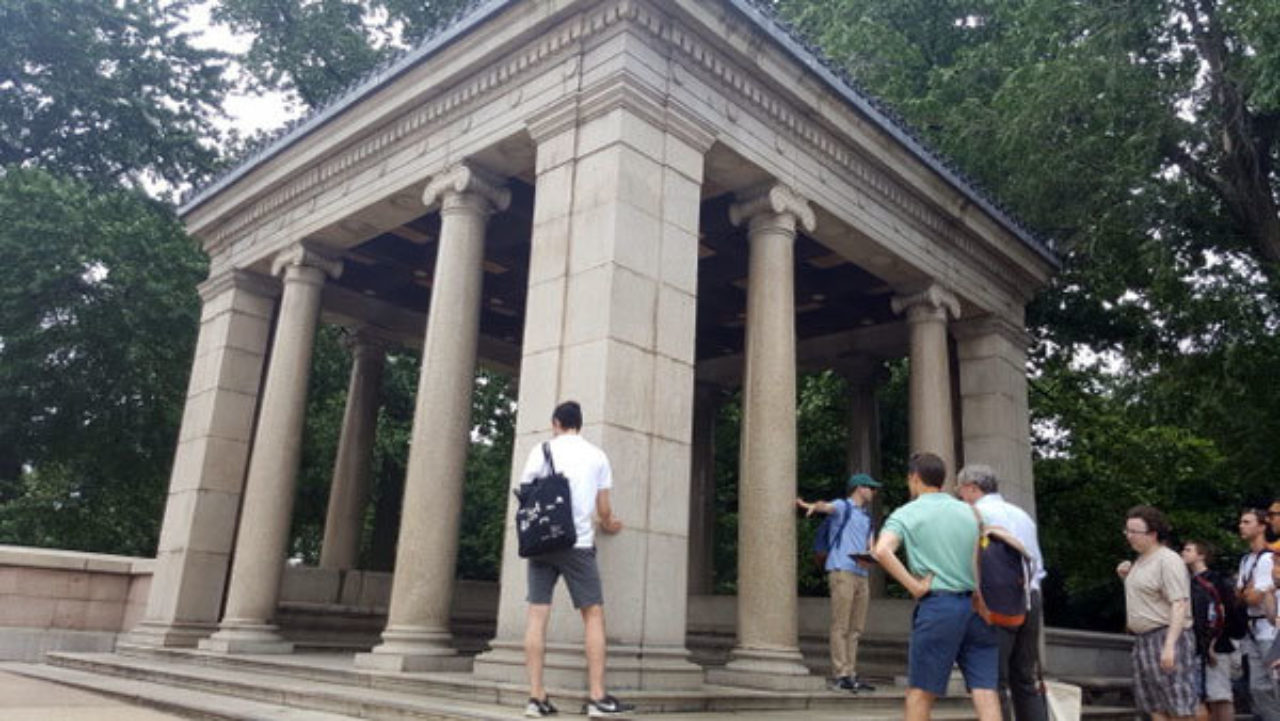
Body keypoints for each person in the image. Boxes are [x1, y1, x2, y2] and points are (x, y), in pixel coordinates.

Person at [519, 401, 632, 719]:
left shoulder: (541, 451)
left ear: (556, 422)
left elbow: (525, 494)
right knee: (592, 615)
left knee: (537, 615)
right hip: (578, 543)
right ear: (580, 424)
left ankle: (536, 697)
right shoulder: (597, 456)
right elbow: (604, 508)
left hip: (541, 544)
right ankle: (597, 697)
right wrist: (609, 524)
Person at [871, 452, 1001, 721]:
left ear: (915, 478)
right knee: (986, 692)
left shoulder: (907, 513)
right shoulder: (970, 512)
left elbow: (882, 551)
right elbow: (981, 558)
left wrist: (914, 587)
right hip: (977, 608)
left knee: (919, 694)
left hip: (939, 607)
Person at [956, 465, 1048, 721]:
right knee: (1025, 678)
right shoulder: (1022, 516)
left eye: (960, 489)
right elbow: (1036, 563)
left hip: (994, 603)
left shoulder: (974, 514)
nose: (959, 495)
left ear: (972, 487)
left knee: (992, 680)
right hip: (1031, 597)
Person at [797, 472, 882, 693]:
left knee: (856, 628)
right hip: (841, 570)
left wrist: (871, 557)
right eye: (870, 487)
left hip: (861, 574)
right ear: (859, 488)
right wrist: (808, 505)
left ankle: (850, 674)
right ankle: (840, 674)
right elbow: (826, 507)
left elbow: (871, 547)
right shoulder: (843, 506)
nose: (873, 492)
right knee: (841, 625)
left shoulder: (867, 518)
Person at [1114, 505, 1197, 721]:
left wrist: (1170, 645)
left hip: (1166, 635)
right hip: (1143, 639)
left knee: (1177, 704)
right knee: (1153, 704)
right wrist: (1126, 576)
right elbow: (1147, 595)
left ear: (1152, 534)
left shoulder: (1168, 560)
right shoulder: (1140, 561)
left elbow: (1179, 603)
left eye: (1135, 532)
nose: (1129, 536)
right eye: (1127, 531)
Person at [1180, 540, 1236, 721]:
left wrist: (1214, 642)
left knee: (1219, 694)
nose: (1183, 553)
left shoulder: (1215, 581)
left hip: (1215, 643)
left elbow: (1221, 613)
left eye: (1188, 550)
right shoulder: (1186, 581)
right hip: (1194, 645)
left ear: (1201, 555)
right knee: (1203, 695)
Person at [1234, 508, 1280, 720]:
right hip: (1251, 628)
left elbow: (1254, 598)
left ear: (1262, 526)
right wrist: (1248, 591)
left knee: (1274, 684)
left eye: (1247, 522)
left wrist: (1247, 592)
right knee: (1258, 687)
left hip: (1269, 628)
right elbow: (1240, 595)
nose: (1241, 526)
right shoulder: (1245, 560)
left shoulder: (1270, 558)